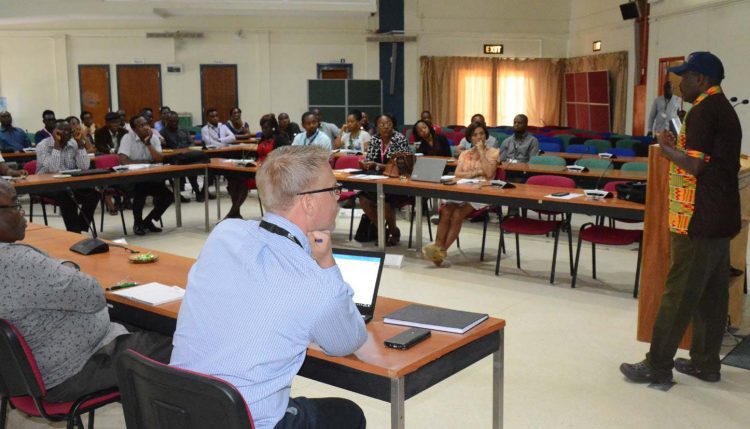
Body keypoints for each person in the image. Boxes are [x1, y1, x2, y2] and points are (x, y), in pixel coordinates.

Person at [171, 145, 368, 429]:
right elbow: (346, 342)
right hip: (245, 422)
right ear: (309, 203)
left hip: (181, 411)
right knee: (348, 414)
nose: (338, 197)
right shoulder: (314, 281)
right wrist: (327, 266)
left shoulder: (224, 234)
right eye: (334, 189)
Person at [620, 52, 742, 385]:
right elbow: (704, 157)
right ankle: (706, 362)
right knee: (711, 295)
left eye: (684, 77)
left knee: (678, 293)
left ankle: (657, 364)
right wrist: (679, 147)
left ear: (701, 80)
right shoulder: (720, 109)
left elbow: (696, 165)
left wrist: (665, 147)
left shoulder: (704, 111)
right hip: (718, 216)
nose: (679, 82)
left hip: (697, 218)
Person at [0, 179, 173, 403]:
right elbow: (93, 295)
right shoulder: (19, 262)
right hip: (71, 370)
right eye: (15, 205)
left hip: (21, 375)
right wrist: (65, 267)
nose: (22, 213)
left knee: (137, 320)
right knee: (178, 341)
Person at [422, 122, 499, 266]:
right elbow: (457, 174)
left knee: (457, 214)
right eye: (475, 135)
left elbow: (489, 173)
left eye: (481, 134)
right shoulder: (464, 154)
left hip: (483, 192)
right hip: (463, 189)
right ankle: (437, 247)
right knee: (446, 211)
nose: (479, 137)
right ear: (470, 138)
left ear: (486, 135)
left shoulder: (494, 152)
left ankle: (441, 252)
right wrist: (477, 172)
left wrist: (482, 153)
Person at [35, 119, 100, 234]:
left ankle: (80, 227)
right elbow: (53, 169)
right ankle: (74, 232)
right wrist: (57, 145)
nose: (67, 134)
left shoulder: (73, 143)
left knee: (94, 194)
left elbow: (84, 166)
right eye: (63, 131)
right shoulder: (43, 146)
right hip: (46, 184)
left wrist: (80, 144)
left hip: (70, 183)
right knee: (66, 195)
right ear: (55, 132)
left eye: (69, 131)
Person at [358, 113, 410, 246]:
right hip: (378, 179)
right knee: (363, 199)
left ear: (393, 125)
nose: (385, 127)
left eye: (388, 124)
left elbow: (402, 165)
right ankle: (382, 230)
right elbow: (370, 158)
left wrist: (377, 165)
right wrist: (366, 163)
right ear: (377, 127)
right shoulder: (375, 139)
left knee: (385, 201)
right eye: (381, 124)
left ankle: (394, 231)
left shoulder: (399, 139)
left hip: (398, 181)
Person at [225, 113, 290, 219]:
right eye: (262, 128)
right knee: (234, 180)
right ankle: (235, 212)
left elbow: (283, 159)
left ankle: (232, 213)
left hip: (272, 174)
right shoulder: (263, 138)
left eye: (266, 128)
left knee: (243, 184)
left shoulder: (280, 139)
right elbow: (258, 155)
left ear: (273, 127)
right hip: (257, 170)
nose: (263, 130)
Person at [118, 115, 174, 236]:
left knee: (168, 196)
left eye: (147, 124)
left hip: (149, 178)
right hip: (129, 179)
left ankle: (148, 221)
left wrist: (148, 144)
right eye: (141, 126)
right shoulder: (127, 138)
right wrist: (146, 163)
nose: (146, 128)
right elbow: (123, 161)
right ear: (134, 129)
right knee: (140, 191)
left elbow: (159, 159)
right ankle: (137, 223)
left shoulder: (153, 138)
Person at [161, 111, 205, 202]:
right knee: (187, 166)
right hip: (173, 158)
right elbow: (164, 148)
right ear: (167, 121)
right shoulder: (162, 132)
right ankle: (182, 193)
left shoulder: (183, 130)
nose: (175, 123)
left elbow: (191, 142)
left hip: (187, 155)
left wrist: (187, 149)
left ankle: (199, 191)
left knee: (198, 160)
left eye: (176, 121)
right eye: (172, 121)